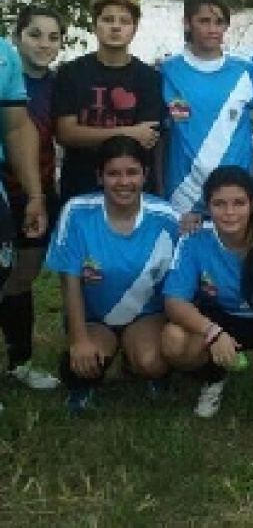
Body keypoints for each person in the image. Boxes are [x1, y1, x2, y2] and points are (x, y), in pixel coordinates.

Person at [160, 165, 253, 418]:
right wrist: (213, 333)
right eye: (219, 204)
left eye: (239, 203)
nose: (230, 213)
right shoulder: (194, 238)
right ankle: (212, 377)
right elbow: (174, 301)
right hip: (219, 317)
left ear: (252, 204)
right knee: (173, 340)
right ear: (207, 206)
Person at [44, 136, 179, 412]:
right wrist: (79, 339)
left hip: (146, 316)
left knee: (150, 361)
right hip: (96, 318)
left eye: (132, 172)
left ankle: (143, 367)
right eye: (113, 174)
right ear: (99, 176)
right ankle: (84, 379)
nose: (123, 182)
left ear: (145, 175)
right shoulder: (77, 212)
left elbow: (183, 279)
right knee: (84, 364)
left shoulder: (166, 216)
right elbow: (69, 280)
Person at [0, 6, 64, 390]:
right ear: (17, 35)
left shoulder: (61, 85)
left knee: (22, 278)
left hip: (38, 190)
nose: (44, 44)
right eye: (35, 34)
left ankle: (19, 363)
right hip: (4, 188)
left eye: (53, 37)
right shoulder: (7, 73)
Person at [53, 0, 162, 203]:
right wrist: (127, 131)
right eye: (107, 19)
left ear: (134, 29)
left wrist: (89, 134)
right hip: (79, 186)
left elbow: (146, 138)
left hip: (130, 191)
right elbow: (66, 134)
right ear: (95, 26)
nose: (115, 26)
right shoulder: (71, 73)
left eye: (124, 21)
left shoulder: (149, 78)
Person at [160, 0, 253, 221]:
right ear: (187, 23)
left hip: (235, 194)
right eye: (204, 21)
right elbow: (160, 137)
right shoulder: (168, 71)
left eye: (219, 22)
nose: (213, 29)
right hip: (183, 195)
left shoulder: (247, 71)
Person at [0, 33, 49, 412]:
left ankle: (19, 362)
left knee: (13, 277)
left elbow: (16, 128)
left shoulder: (4, 54)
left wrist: (35, 194)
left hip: (6, 187)